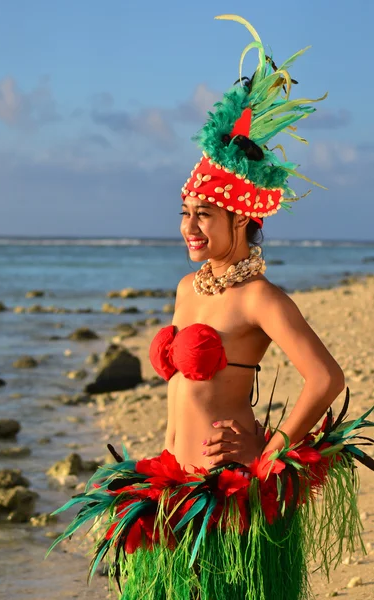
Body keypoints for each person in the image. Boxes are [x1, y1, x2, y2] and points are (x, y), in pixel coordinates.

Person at [48, 14, 374, 600]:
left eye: (204, 214)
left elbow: (326, 377)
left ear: (243, 219)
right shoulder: (186, 289)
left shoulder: (260, 298)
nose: (188, 227)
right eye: (184, 212)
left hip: (226, 498)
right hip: (172, 488)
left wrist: (269, 453)